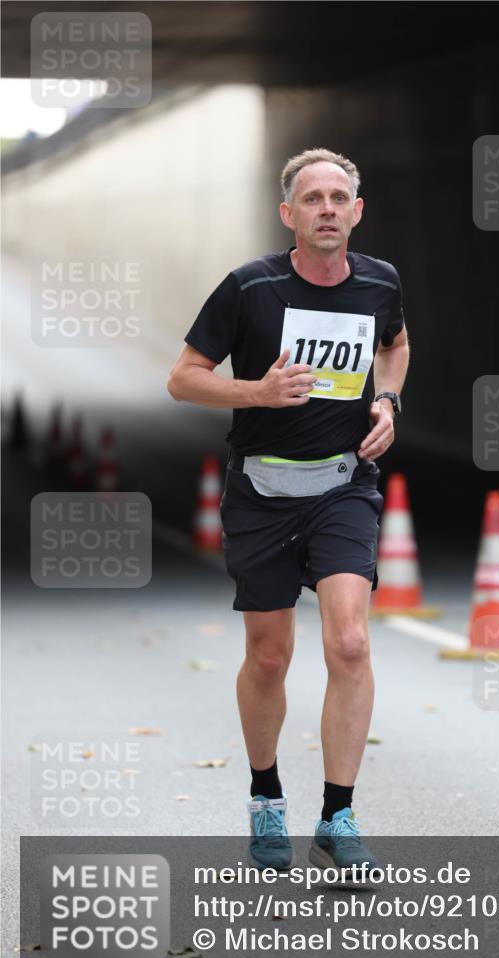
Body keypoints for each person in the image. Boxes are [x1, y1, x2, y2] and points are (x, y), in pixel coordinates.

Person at [167, 148, 410, 875]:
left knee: (350, 645)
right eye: (313, 199)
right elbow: (183, 379)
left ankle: (337, 815)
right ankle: (265, 797)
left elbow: (395, 347)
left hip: (343, 486)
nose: (327, 209)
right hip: (262, 493)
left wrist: (389, 401)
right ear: (289, 214)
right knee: (268, 657)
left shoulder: (379, 282)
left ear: (357, 212)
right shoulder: (250, 288)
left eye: (339, 197)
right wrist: (257, 394)